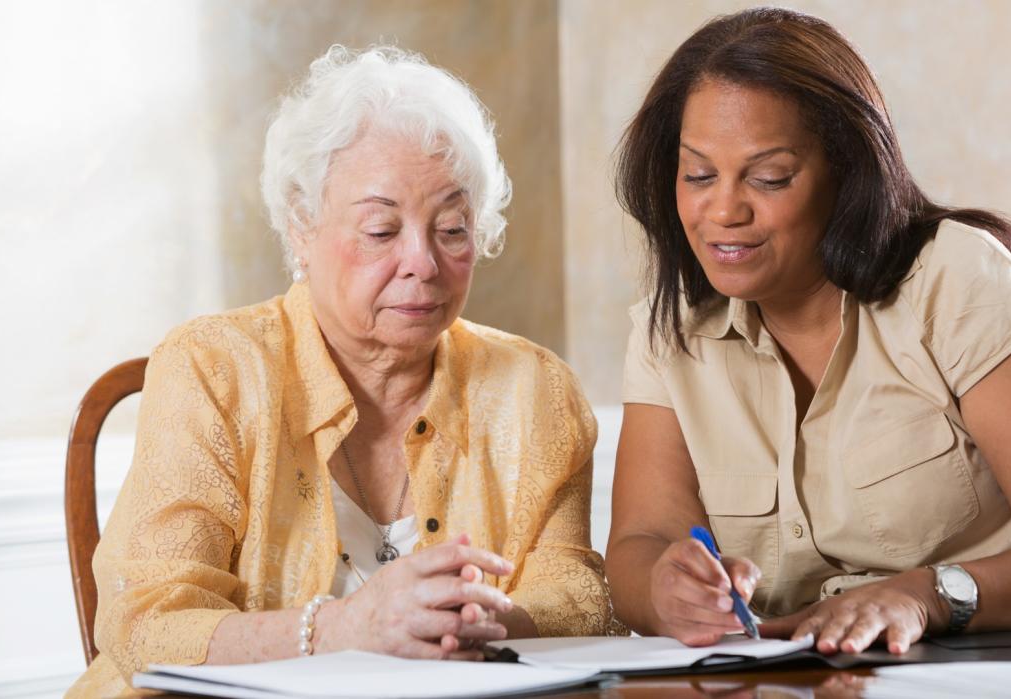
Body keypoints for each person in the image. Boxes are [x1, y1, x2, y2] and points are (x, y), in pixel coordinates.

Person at [606, 7, 1011, 656]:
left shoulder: (959, 283)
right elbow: (642, 541)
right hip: (814, 677)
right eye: (698, 175)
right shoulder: (668, 325)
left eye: (769, 177)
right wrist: (665, 587)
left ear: (846, 173)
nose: (724, 209)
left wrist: (932, 592)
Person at [69, 45, 614, 698]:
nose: (423, 262)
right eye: (382, 231)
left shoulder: (535, 389)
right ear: (302, 227)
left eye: (452, 227)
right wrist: (341, 628)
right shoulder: (213, 369)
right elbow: (142, 624)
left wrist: (482, 621)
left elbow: (579, 593)